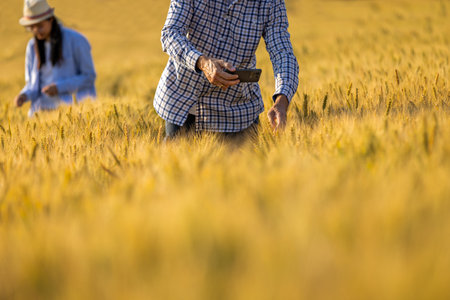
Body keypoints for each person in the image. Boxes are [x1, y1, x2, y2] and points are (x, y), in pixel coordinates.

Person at [154, 0, 299, 139]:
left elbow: (282, 53)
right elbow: (171, 33)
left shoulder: (271, 2)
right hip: (184, 104)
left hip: (237, 113)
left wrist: (282, 101)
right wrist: (202, 63)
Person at [14, 0, 96, 117]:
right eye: (32, 27)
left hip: (73, 113)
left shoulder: (77, 41)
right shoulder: (32, 47)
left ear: (51, 19)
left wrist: (59, 87)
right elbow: (32, 85)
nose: (36, 30)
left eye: (40, 25)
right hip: (41, 113)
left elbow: (89, 77)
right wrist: (24, 95)